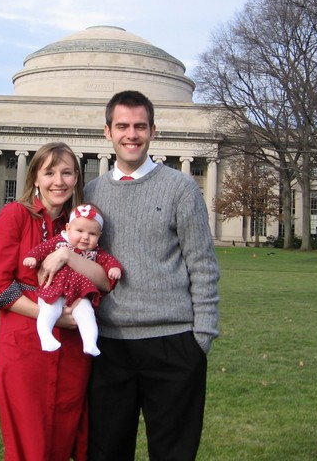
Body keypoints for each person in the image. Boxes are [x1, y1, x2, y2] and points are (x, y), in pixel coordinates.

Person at [80, 90, 220, 460]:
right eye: (122, 126)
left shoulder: (181, 189)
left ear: (153, 131)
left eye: (140, 126)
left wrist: (201, 337)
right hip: (109, 345)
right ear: (107, 132)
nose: (132, 134)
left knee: (173, 453)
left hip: (173, 342)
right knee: (106, 452)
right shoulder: (91, 193)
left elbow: (202, 264)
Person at [0, 142, 114, 461]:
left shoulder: (78, 227)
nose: (59, 181)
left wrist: (70, 254)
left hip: (71, 354)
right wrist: (53, 317)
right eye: (50, 172)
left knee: (64, 441)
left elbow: (106, 279)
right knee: (29, 445)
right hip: (25, 350)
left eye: (67, 173)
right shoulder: (15, 216)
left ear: (77, 178)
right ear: (35, 177)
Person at [23, 204, 123, 356]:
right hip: (53, 289)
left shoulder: (95, 252)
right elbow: (42, 249)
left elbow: (108, 260)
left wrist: (114, 269)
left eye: (92, 234)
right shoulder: (59, 242)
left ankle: (90, 342)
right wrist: (33, 258)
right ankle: (45, 336)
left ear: (99, 236)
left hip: (79, 293)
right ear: (68, 228)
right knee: (49, 310)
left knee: (87, 312)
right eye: (80, 231)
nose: (85, 237)